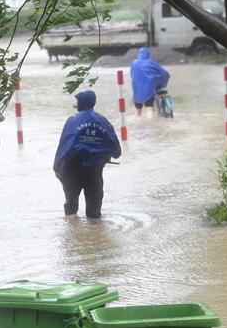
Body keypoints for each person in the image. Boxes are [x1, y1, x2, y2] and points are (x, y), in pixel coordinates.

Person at [53, 90, 122, 219]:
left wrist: (58, 168)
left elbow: (64, 146)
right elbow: (115, 147)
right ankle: (95, 236)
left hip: (72, 170)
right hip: (94, 171)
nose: (76, 104)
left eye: (77, 101)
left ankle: (72, 234)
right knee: (94, 211)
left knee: (71, 208)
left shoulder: (72, 121)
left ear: (81, 103)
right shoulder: (102, 120)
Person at [130, 47, 170, 115]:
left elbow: (132, 76)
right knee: (149, 108)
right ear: (148, 54)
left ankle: (137, 123)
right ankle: (150, 124)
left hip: (136, 90)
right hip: (149, 90)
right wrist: (160, 83)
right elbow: (165, 73)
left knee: (137, 109)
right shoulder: (151, 62)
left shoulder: (134, 63)